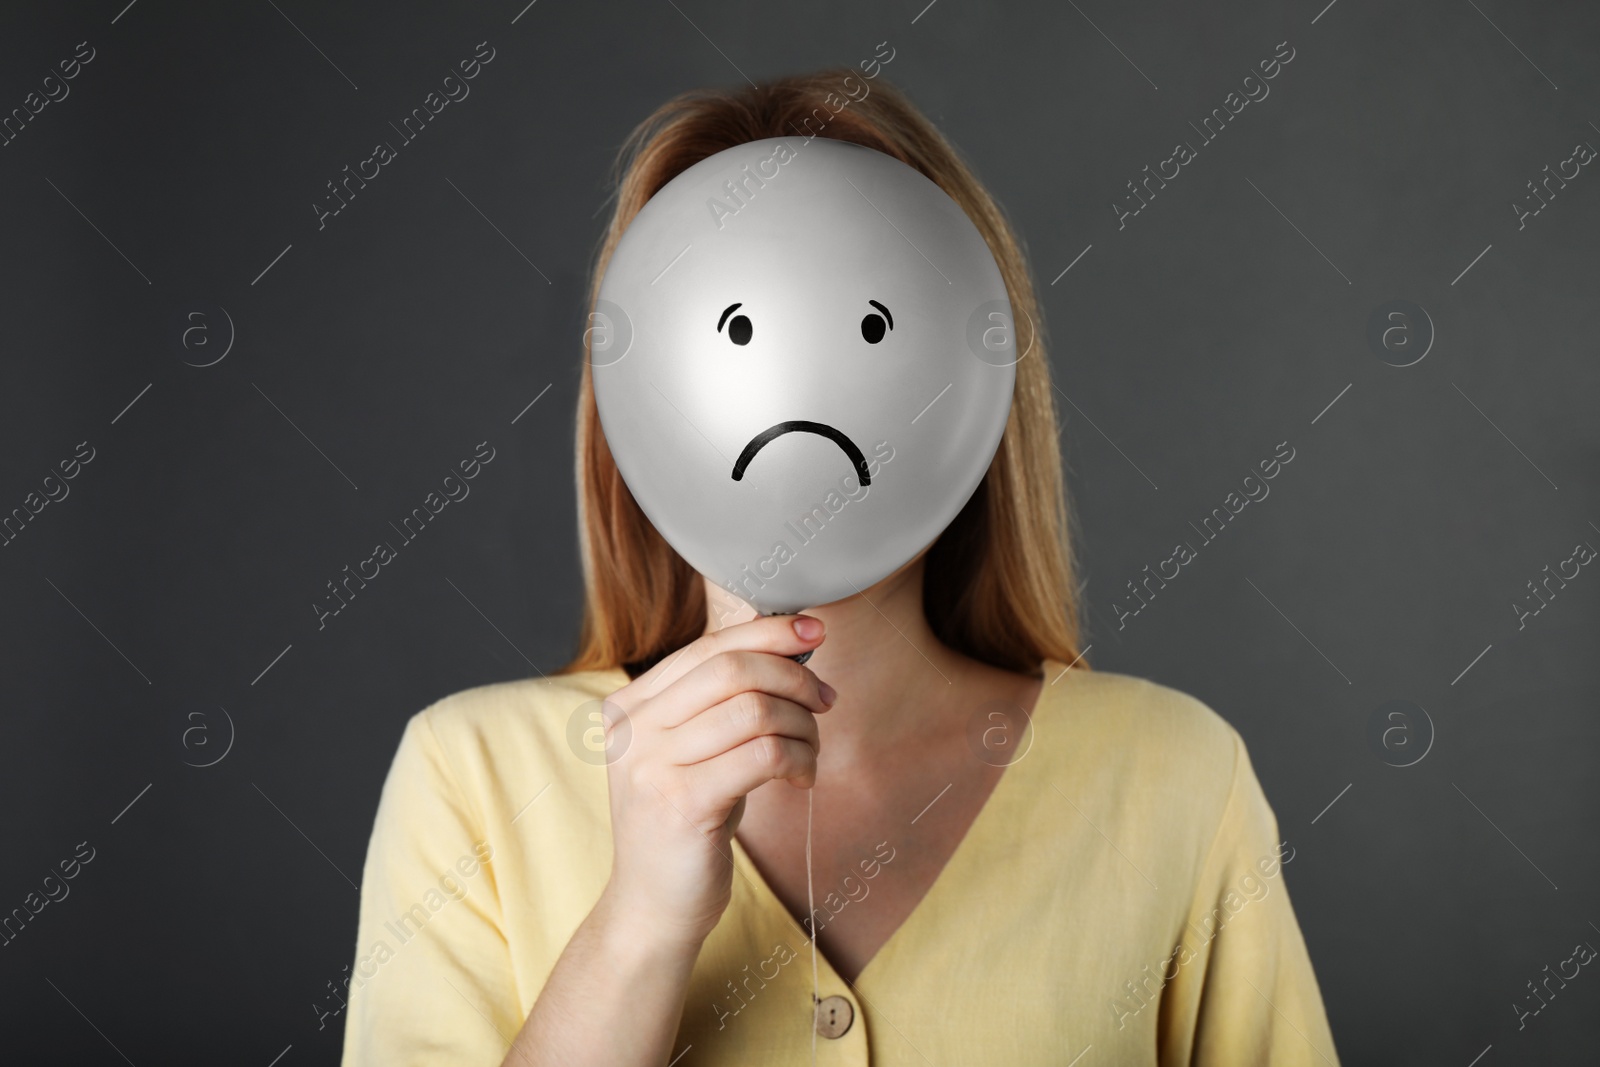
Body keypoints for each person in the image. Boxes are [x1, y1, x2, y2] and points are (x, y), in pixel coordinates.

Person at [341, 70, 1341, 1066]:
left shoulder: (1174, 775)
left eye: (870, 326)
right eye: (734, 326)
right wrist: (639, 921)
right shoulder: (470, 774)